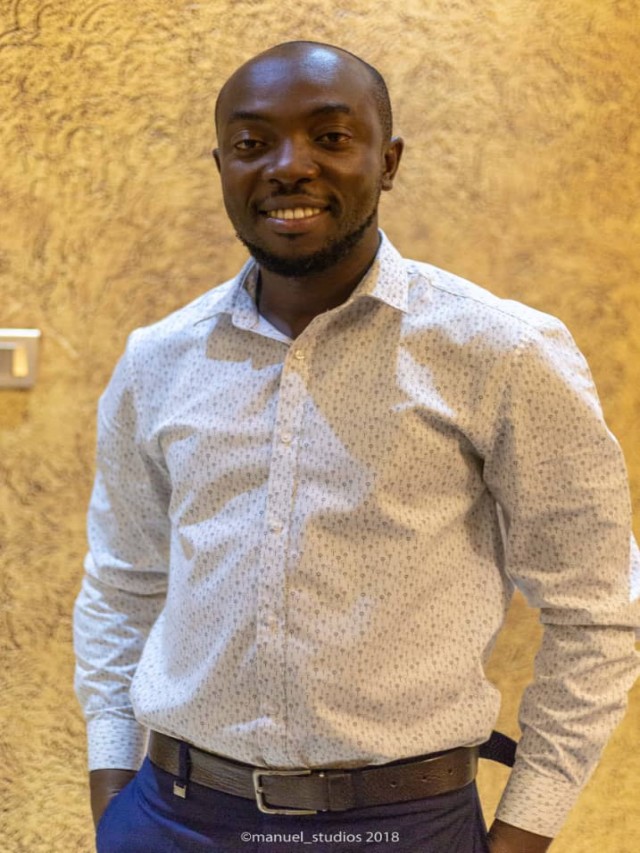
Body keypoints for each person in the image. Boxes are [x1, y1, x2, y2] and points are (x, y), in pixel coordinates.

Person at [74, 40, 640, 853]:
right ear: (224, 167)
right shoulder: (157, 359)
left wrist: (526, 830)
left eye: (331, 137)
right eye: (251, 143)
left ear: (388, 161)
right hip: (175, 817)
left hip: (403, 825)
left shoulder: (504, 353)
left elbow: (597, 609)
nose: (288, 166)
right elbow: (123, 581)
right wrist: (111, 793)